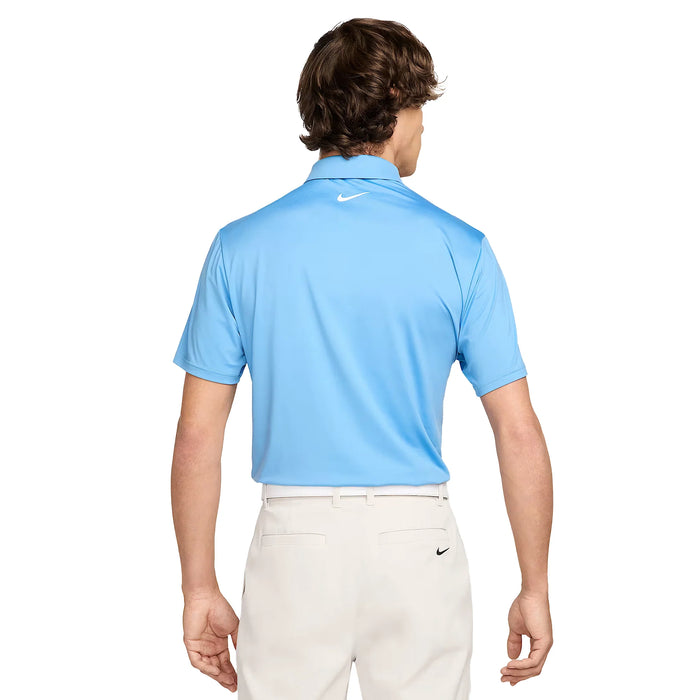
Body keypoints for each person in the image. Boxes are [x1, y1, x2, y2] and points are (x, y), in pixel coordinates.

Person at [171, 17, 553, 699]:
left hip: (293, 542)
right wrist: (535, 585)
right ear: (396, 103)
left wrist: (199, 587)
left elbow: (198, 435)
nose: (425, 127)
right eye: (421, 107)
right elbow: (516, 429)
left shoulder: (241, 246)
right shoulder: (460, 248)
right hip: (417, 541)